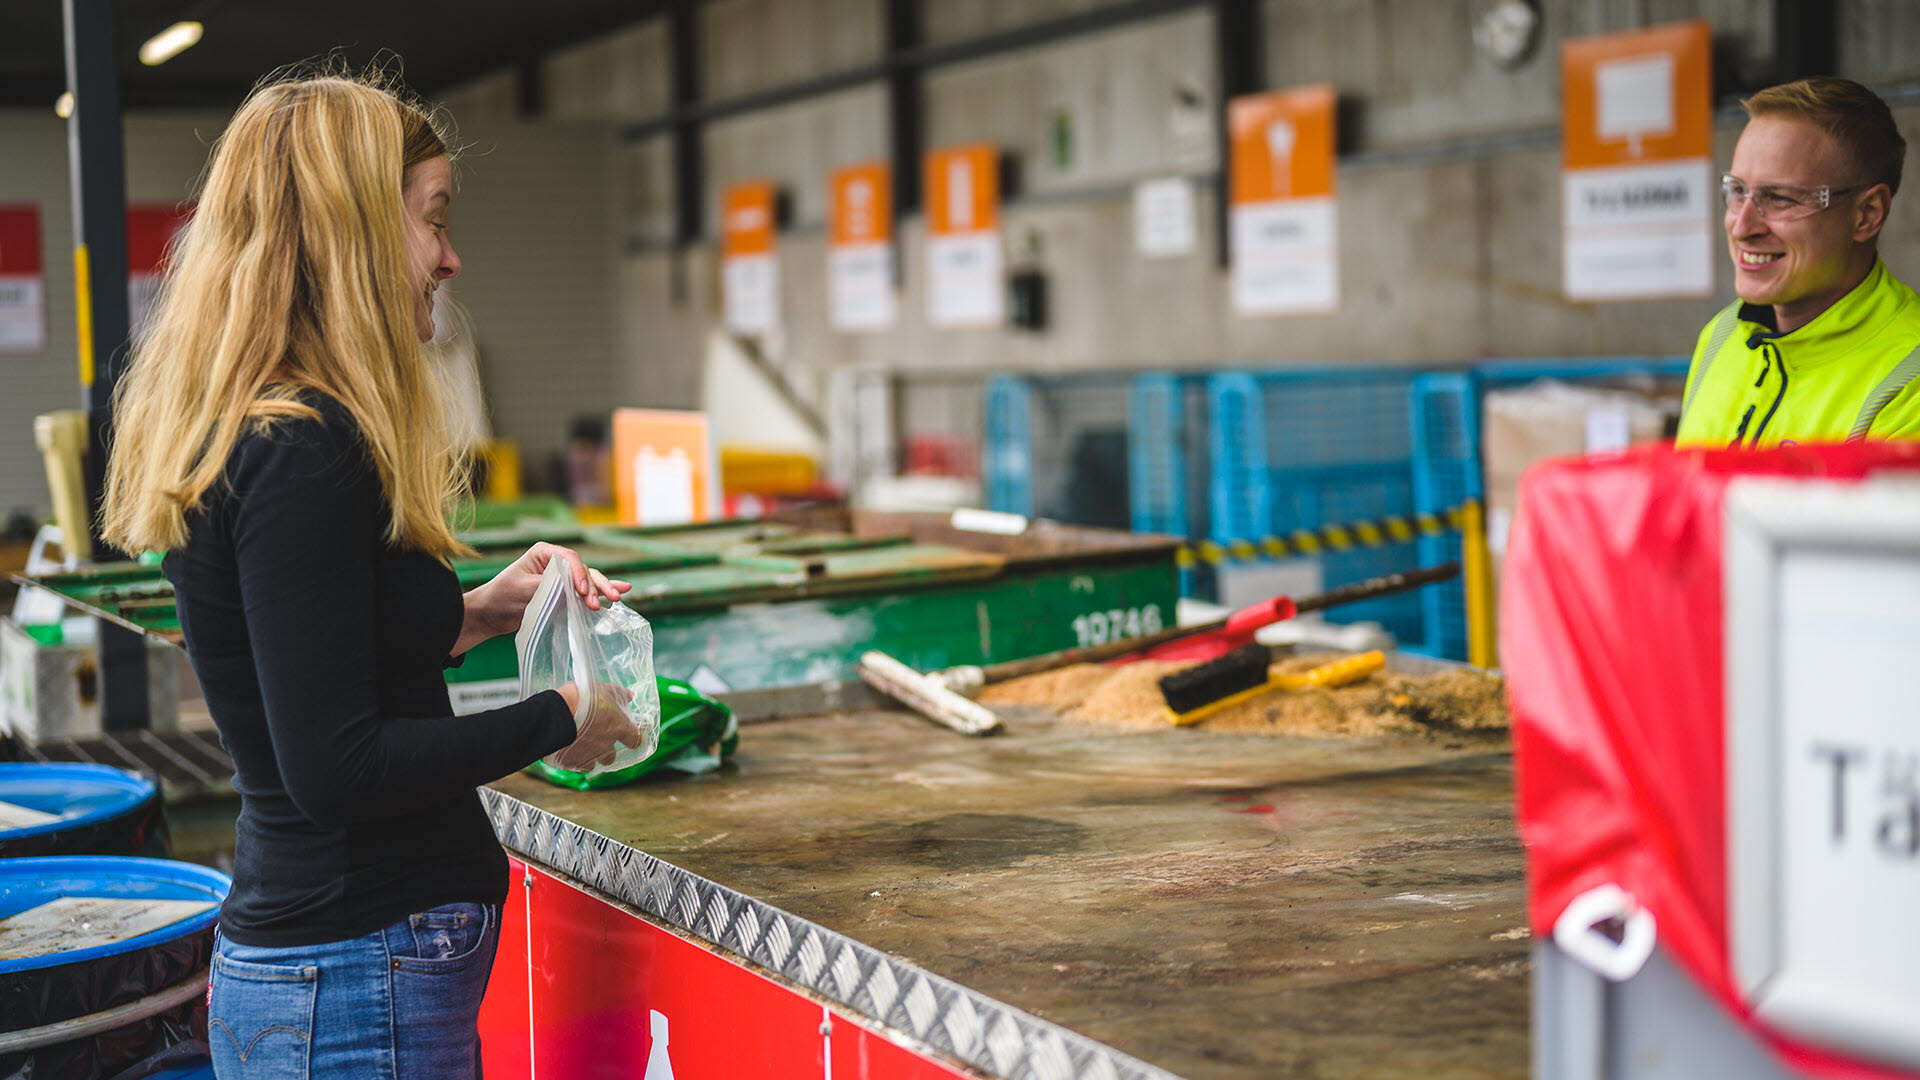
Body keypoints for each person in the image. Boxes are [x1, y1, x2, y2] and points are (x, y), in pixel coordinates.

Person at [101, 71, 630, 1078]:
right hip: (351, 982)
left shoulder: (268, 429)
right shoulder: (304, 444)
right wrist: (568, 710)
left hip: (336, 976)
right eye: (432, 221)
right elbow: (335, 769)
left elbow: (318, 656)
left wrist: (479, 613)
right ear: (350, 232)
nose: (449, 256)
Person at [1675, 76, 1920, 447]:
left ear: (1867, 214)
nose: (1742, 227)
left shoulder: (1909, 382)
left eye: (1780, 198)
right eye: (1738, 191)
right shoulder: (1721, 336)